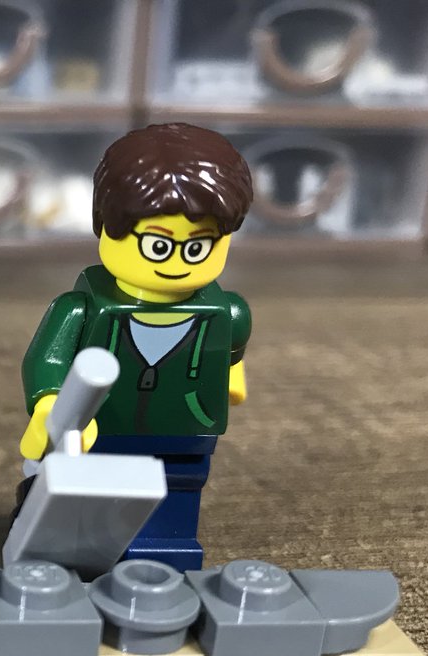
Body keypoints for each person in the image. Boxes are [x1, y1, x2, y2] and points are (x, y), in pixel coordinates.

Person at [19, 123, 253, 571]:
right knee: (88, 500)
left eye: (198, 246)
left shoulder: (227, 312)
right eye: (158, 245)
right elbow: (46, 359)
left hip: (185, 432)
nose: (177, 262)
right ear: (107, 225)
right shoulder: (81, 308)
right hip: (99, 430)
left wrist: (230, 373)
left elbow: (233, 346)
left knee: (176, 490)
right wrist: (50, 404)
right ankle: (79, 553)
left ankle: (166, 551)